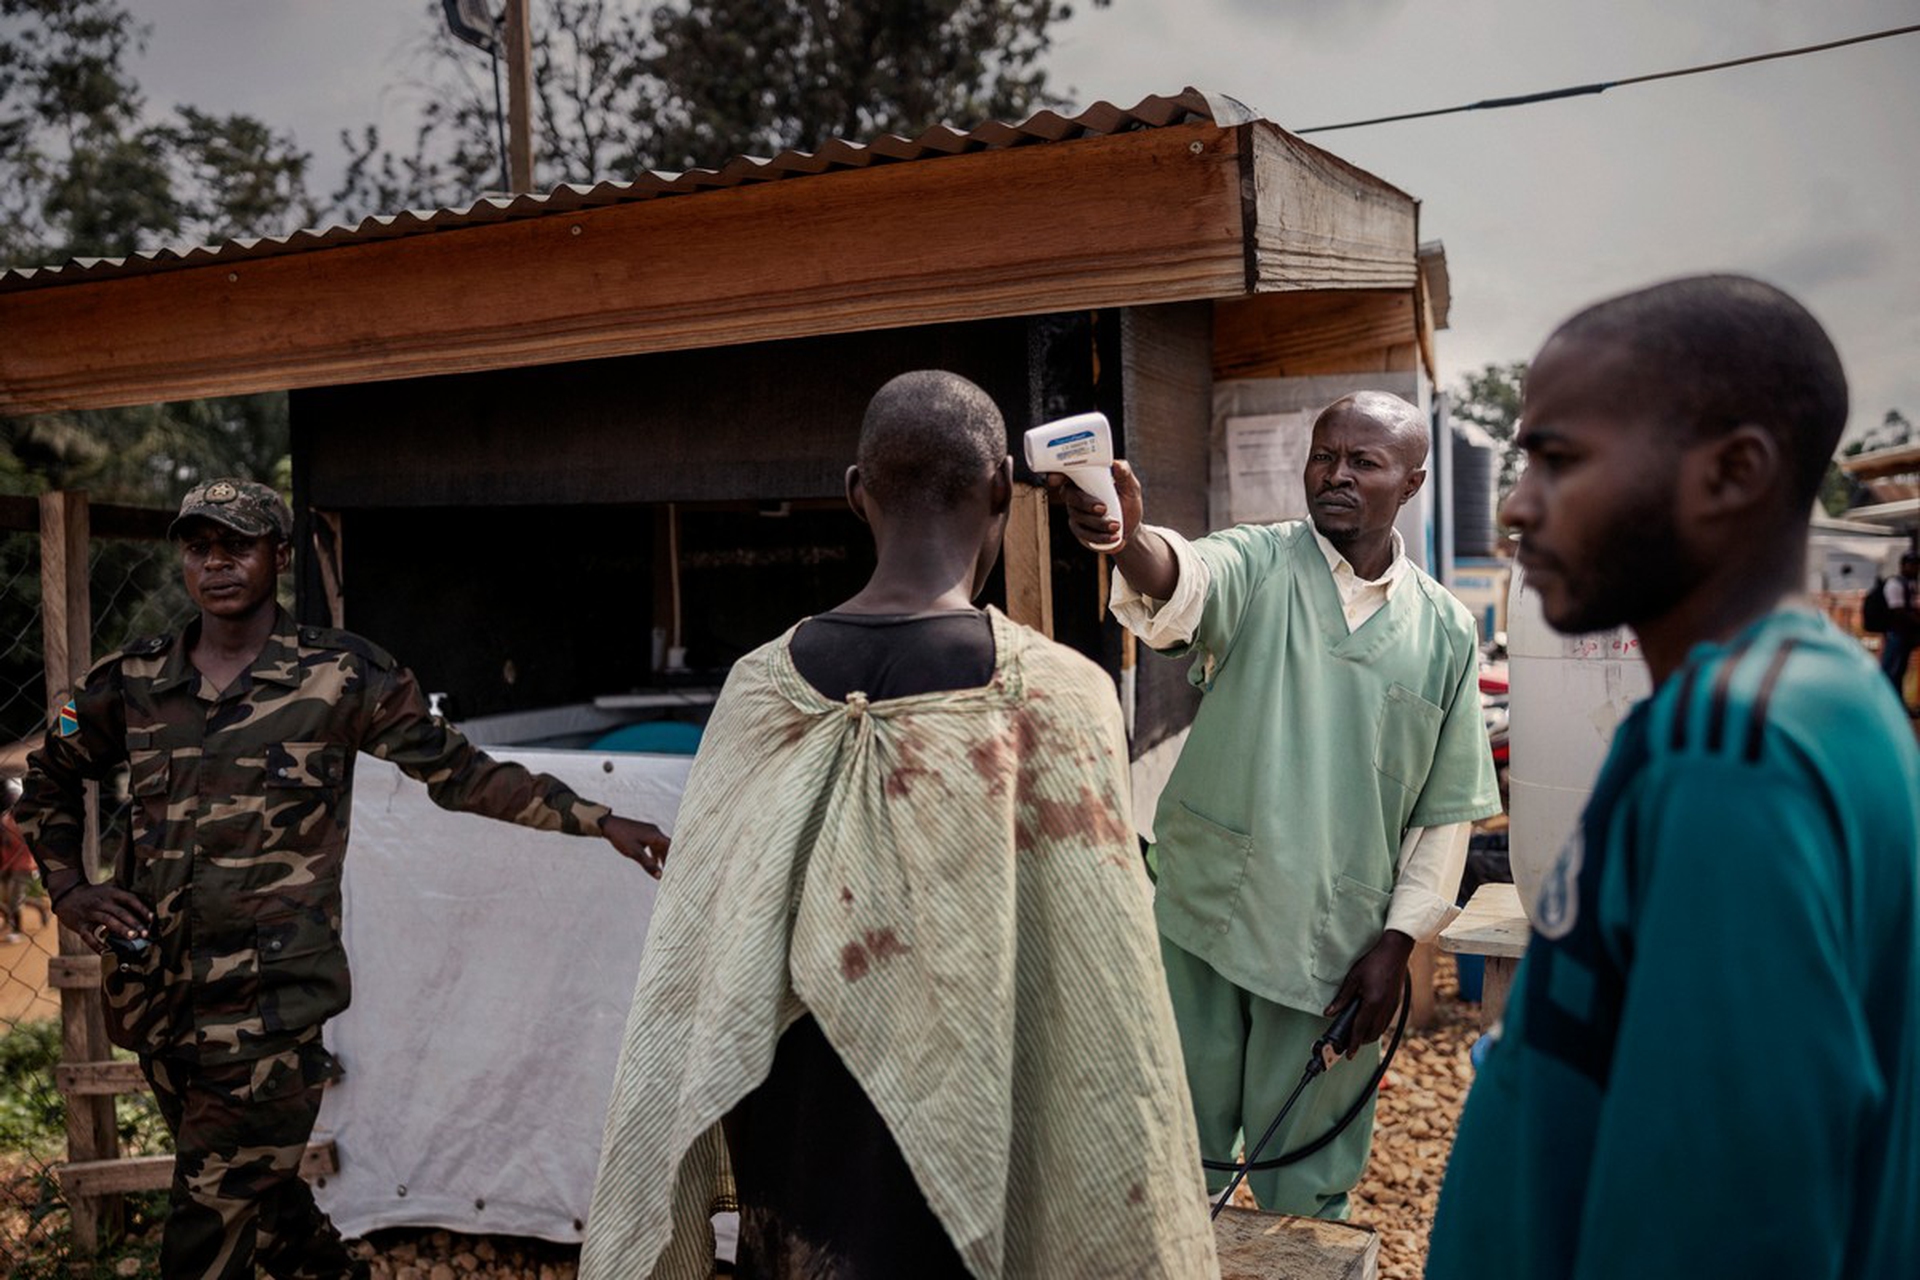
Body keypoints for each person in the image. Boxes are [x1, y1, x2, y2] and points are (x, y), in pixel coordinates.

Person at [579, 371, 1217, 1279]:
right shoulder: (1059, 693)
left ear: (854, 494)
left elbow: (700, 956)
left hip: (802, 1133)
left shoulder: (760, 688)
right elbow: (1097, 988)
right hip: (982, 1113)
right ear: (1003, 486)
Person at [14, 479, 671, 1280]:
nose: (216, 562)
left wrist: (600, 819)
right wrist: (70, 889)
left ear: (280, 557)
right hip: (157, 999)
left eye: (239, 544)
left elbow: (462, 775)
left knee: (205, 1227)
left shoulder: (340, 676)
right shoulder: (133, 680)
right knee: (268, 1208)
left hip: (268, 1012)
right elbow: (47, 774)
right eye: (199, 546)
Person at [1426, 276, 1920, 1279]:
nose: (1518, 505)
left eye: (1559, 460)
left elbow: (1726, 1223)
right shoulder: (1830, 698)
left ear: (1733, 472)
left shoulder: (1728, 754)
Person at [1049, 391, 1501, 1218]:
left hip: (1335, 945)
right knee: (1178, 1151)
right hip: (1206, 913)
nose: (1336, 475)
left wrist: (1398, 945)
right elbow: (1179, 578)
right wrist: (1126, 538)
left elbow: (1444, 812)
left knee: (1307, 1174)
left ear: (1413, 482)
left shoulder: (1445, 630)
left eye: (1364, 462)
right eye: (1324, 455)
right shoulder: (1259, 562)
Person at [1875, 550, 1919, 706]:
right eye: (1912, 565)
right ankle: (1885, 705)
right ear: (1903, 566)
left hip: (1904, 634)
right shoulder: (1895, 584)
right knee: (1891, 670)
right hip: (1895, 634)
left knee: (1898, 671)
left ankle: (1897, 705)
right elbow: (1898, 611)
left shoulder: (1909, 584)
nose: (1915, 569)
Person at [1, 777, 35, 942]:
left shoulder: (27, 819)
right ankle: (40, 907)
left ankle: (17, 930)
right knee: (8, 898)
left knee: (14, 899)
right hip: (8, 864)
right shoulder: (6, 820)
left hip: (24, 865)